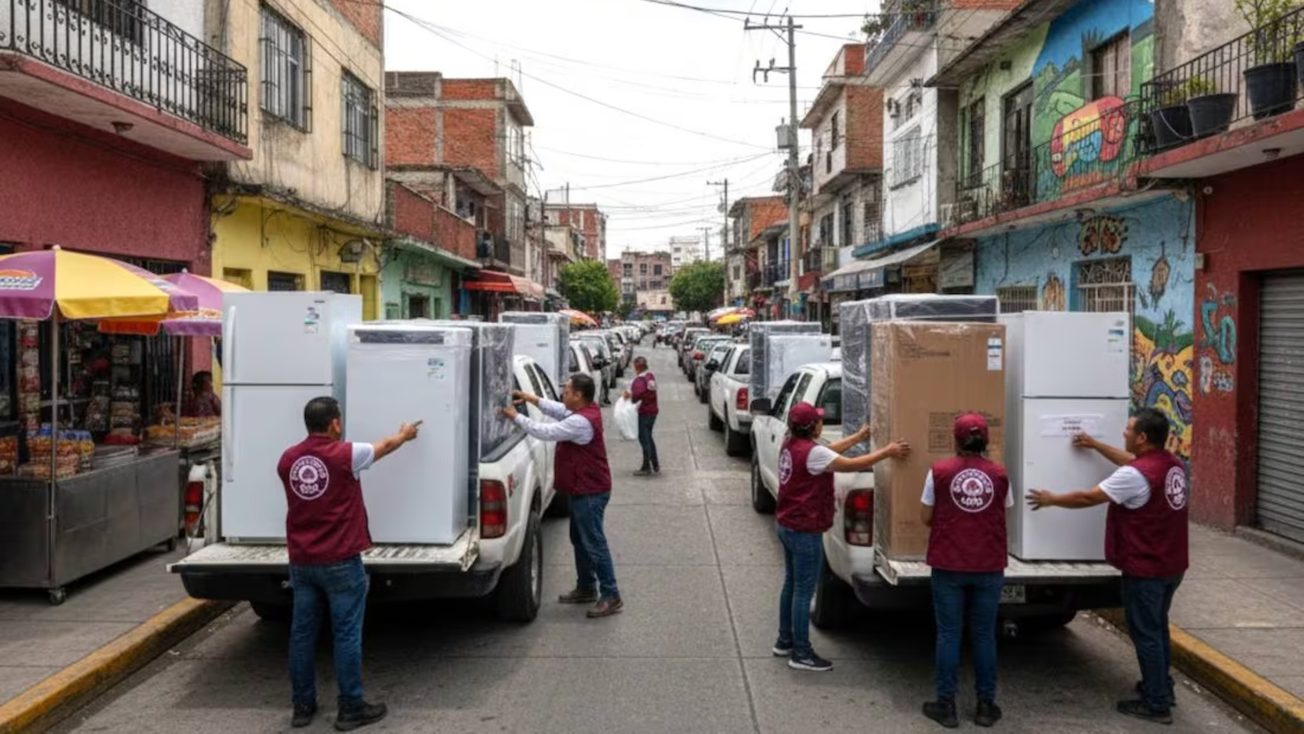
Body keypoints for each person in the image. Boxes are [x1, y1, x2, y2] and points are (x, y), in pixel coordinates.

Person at [1027, 408, 1188, 725]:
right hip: (1172, 565)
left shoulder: (1135, 475)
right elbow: (1131, 463)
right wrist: (1095, 445)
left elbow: (1089, 498)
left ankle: (1156, 703)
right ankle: (1161, 687)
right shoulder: (1170, 464)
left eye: (1128, 429)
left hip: (1146, 568)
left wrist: (1051, 499)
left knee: (1146, 633)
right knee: (1157, 628)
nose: (1123, 433)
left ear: (1142, 438)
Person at [277, 397, 419, 730]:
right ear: (335, 424)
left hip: (302, 560)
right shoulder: (345, 454)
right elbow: (385, 446)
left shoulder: (288, 460)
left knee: (301, 635)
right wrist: (405, 434)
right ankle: (351, 706)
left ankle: (302, 706)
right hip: (340, 559)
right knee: (345, 634)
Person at [773, 402, 909, 672]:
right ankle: (801, 652)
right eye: (819, 420)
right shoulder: (811, 453)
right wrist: (888, 451)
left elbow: (828, 454)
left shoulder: (791, 444)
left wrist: (859, 437)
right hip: (804, 530)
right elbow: (848, 465)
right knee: (803, 591)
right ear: (812, 427)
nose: (822, 423)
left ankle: (784, 640)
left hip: (787, 525)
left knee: (791, 585)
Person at [501, 374, 623, 618]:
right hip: (582, 489)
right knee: (580, 540)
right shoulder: (581, 410)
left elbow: (545, 431)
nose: (563, 393)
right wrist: (531, 398)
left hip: (590, 491)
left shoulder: (581, 422)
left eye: (567, 390)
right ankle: (587, 587)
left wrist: (516, 416)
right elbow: (557, 409)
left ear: (578, 396)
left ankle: (611, 595)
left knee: (594, 542)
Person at [920, 414, 1014, 729]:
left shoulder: (939, 472)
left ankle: (946, 705)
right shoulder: (1000, 474)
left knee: (949, 633)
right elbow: (1005, 508)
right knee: (984, 634)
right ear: (985, 441)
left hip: (949, 564)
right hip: (988, 565)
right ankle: (986, 706)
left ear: (955, 440)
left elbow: (925, 517)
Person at [622, 356, 659, 476]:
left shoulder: (640, 380)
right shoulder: (650, 377)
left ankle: (646, 466)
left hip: (644, 412)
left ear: (637, 367)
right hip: (653, 411)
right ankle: (655, 463)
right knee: (649, 437)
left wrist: (629, 395)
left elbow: (636, 396)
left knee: (644, 439)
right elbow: (648, 393)